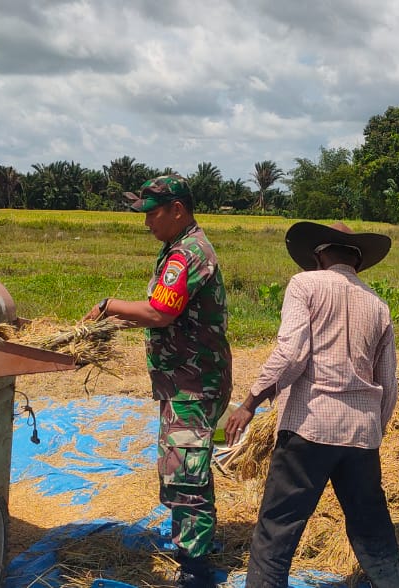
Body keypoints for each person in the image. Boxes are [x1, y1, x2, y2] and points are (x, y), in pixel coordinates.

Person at [224, 221, 399, 588]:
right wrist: (373, 432)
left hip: (310, 427)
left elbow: (291, 355)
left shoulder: (305, 285)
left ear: (320, 254)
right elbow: (388, 385)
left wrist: (250, 402)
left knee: (278, 528)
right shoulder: (377, 305)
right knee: (370, 524)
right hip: (361, 434)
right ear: (356, 260)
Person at [84, 174, 232, 588]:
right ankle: (193, 546)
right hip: (185, 378)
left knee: (186, 472)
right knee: (185, 465)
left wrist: (108, 305)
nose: (146, 222)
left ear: (177, 210)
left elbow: (160, 313)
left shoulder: (188, 253)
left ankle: (196, 570)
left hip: (194, 382)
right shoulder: (178, 248)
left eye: (152, 213)